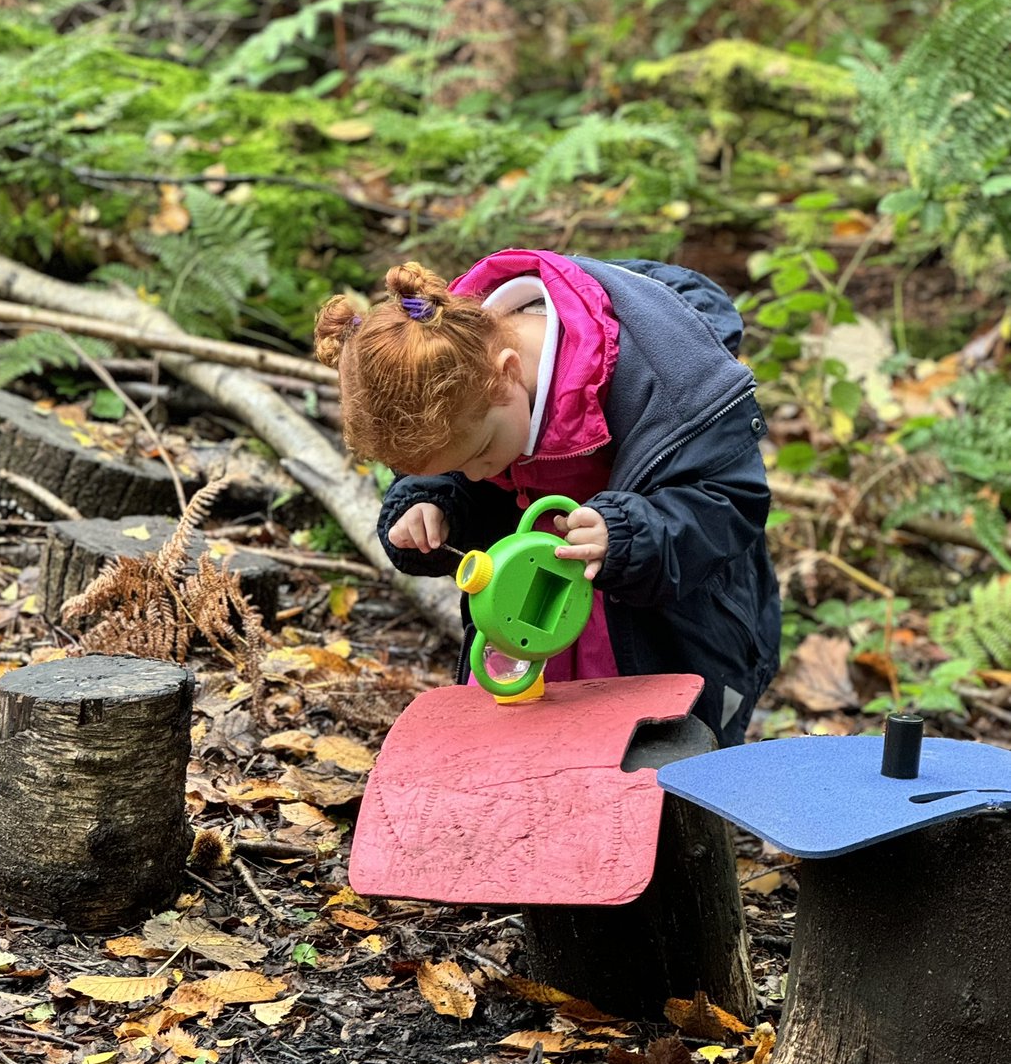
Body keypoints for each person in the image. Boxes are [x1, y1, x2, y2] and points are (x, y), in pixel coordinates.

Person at [314, 249, 780, 746]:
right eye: (453, 468)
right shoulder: (450, 370)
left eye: (480, 454)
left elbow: (729, 500)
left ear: (508, 372)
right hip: (531, 627)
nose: (475, 473)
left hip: (668, 630)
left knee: (659, 764)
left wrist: (626, 534)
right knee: (529, 755)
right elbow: (452, 467)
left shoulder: (675, 379)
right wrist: (430, 499)